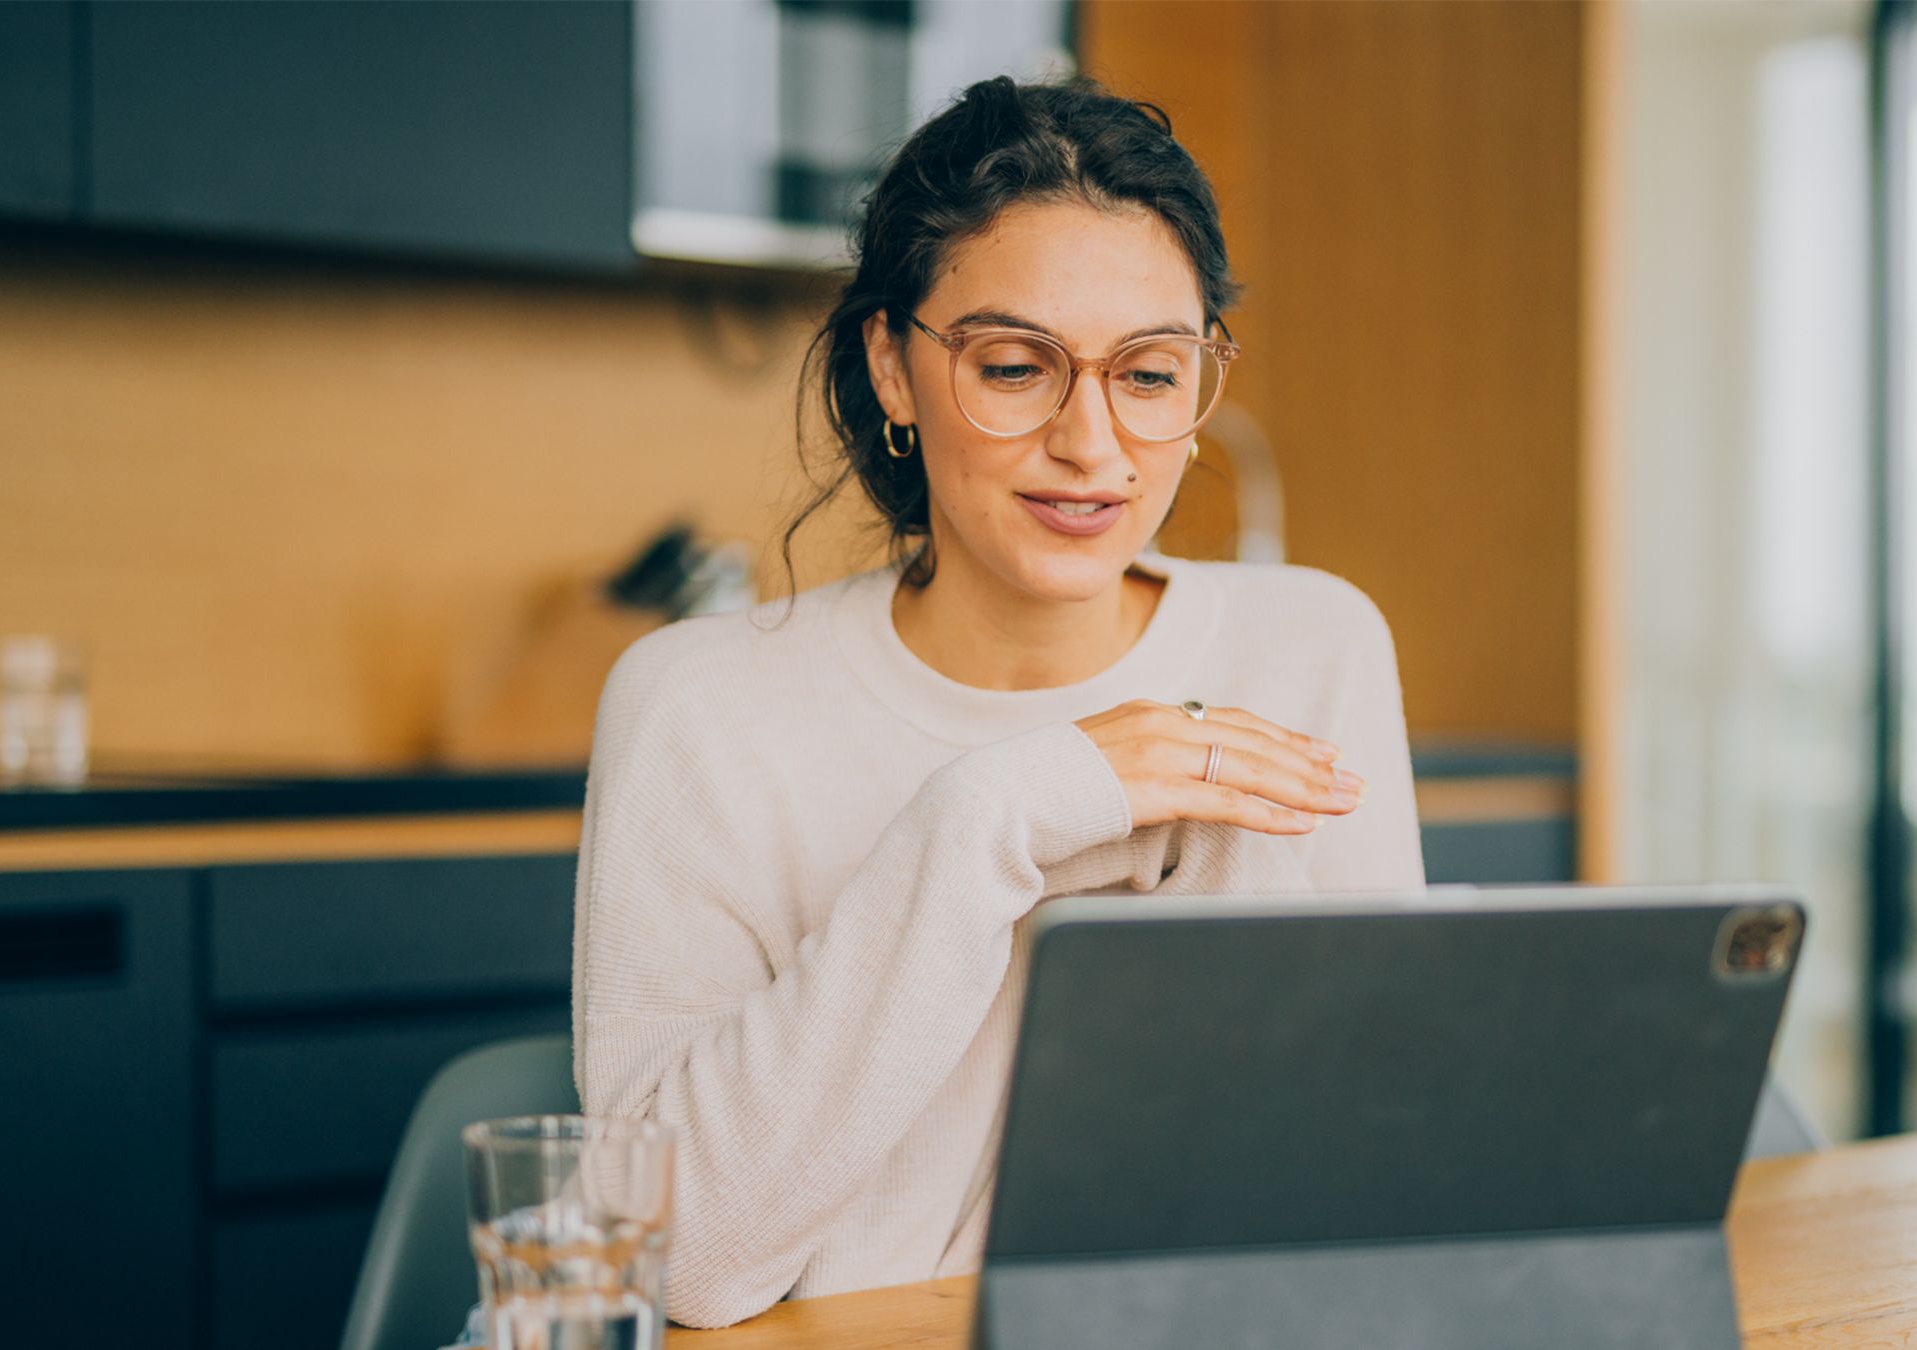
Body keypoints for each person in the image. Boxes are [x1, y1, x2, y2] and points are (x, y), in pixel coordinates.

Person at [571, 75, 1425, 1330]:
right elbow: (675, 1260)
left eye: (1150, 375)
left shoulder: (1311, 643)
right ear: (895, 370)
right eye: (1018, 366)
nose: (1095, 445)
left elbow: (1373, 1161)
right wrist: (997, 815)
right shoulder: (700, 705)